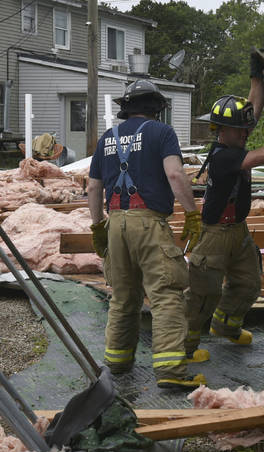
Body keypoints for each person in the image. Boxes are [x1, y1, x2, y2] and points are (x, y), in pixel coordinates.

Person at [86, 79, 205, 390]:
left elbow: (93, 187)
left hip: (115, 226)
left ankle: (117, 362)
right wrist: (192, 212)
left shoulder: (106, 139)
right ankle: (170, 371)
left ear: (126, 108)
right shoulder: (162, 133)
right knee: (166, 294)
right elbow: (175, 174)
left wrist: (97, 225)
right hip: (149, 224)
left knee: (123, 297)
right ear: (156, 108)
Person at [184, 55, 264, 363]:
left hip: (238, 232)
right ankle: (186, 348)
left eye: (247, 129)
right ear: (224, 130)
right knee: (203, 295)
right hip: (215, 235)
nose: (247, 133)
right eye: (242, 130)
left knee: (248, 284)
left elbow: (252, 112)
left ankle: (226, 326)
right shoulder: (224, 156)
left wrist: (256, 79)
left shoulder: (235, 137)